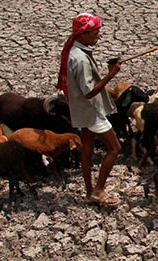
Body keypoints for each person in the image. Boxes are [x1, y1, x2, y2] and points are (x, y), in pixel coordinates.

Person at [56, 13, 122, 205]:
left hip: (80, 110)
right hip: (91, 111)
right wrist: (111, 74)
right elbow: (90, 92)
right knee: (115, 148)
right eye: (95, 33)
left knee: (87, 148)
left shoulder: (74, 52)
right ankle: (99, 190)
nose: (98, 37)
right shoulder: (81, 59)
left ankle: (88, 191)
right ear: (83, 34)